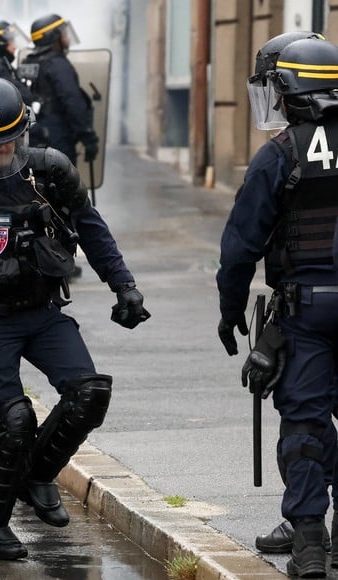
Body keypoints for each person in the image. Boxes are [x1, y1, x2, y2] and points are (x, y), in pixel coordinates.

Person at [0, 77, 148, 559]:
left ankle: (38, 474)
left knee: (90, 393)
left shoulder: (51, 173)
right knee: (13, 420)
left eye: (5, 143)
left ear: (22, 134)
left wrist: (123, 284)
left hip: (43, 312)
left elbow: (90, 228)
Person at [217, 38, 338, 578]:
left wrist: (230, 309)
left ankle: (310, 541)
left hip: (306, 314)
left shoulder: (280, 154)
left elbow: (241, 245)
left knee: (305, 421)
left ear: (289, 92)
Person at [20, 14, 98, 162]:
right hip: (57, 138)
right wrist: (88, 137)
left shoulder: (28, 62)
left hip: (33, 135)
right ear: (54, 37)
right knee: (64, 182)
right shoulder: (58, 65)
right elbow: (73, 100)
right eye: (64, 34)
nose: (67, 38)